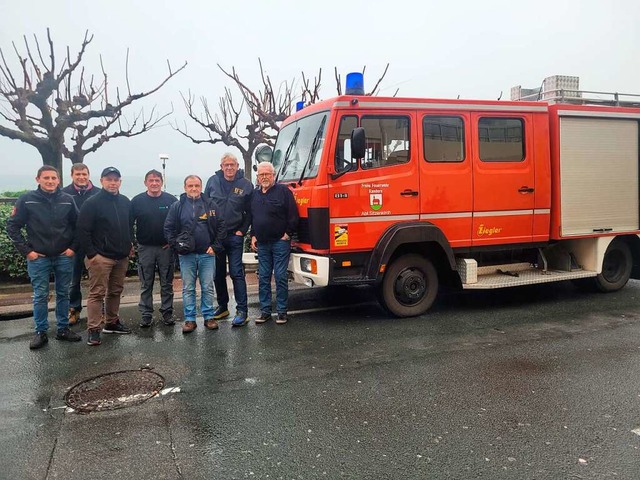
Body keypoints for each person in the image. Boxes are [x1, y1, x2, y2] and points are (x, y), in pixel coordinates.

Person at [7, 166, 81, 349]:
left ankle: (63, 329)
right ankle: (41, 332)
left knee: (63, 293)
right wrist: (27, 251)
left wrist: (73, 248)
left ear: (58, 180)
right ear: (38, 179)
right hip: (38, 258)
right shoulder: (27, 200)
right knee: (40, 296)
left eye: (53, 178)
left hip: (64, 256)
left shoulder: (68, 200)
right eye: (46, 178)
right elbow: (13, 226)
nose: (50, 181)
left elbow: (79, 226)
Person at [76, 167, 134, 346]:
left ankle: (111, 322)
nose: (113, 182)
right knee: (97, 293)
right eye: (109, 179)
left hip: (121, 256)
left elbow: (128, 225)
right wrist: (92, 254)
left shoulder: (125, 201)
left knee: (115, 291)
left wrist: (129, 245)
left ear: (120, 182)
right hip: (101, 257)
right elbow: (82, 230)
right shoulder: (92, 203)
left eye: (116, 179)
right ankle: (93, 328)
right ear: (101, 181)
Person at [164, 175, 226, 334]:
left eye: (197, 185)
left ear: (201, 186)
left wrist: (215, 246)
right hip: (186, 255)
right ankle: (190, 319)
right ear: (185, 187)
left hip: (207, 254)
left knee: (207, 286)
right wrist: (175, 246)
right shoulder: (177, 206)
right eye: (190, 185)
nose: (193, 189)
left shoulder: (211, 205)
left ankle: (208, 317)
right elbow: (168, 228)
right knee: (188, 288)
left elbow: (221, 227)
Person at [204, 153, 253, 327]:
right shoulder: (212, 181)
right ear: (221, 166)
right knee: (217, 274)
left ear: (237, 166)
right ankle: (223, 306)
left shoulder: (246, 185)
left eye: (232, 165)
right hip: (216, 237)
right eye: (226, 165)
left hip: (234, 237)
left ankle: (242, 311)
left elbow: (250, 212)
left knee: (236, 273)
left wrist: (242, 231)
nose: (229, 168)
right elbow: (205, 206)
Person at [250, 161, 299, 325]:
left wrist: (287, 234)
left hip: (280, 242)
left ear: (274, 175)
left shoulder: (283, 192)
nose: (264, 177)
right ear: (257, 177)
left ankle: (282, 312)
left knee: (280, 276)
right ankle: (265, 312)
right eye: (261, 175)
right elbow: (253, 217)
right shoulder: (255, 195)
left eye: (267, 174)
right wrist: (253, 235)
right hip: (262, 243)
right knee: (263, 277)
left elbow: (293, 215)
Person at [130, 170, 178, 327]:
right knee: (146, 283)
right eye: (151, 180)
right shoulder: (137, 201)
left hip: (166, 248)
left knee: (167, 283)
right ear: (145, 183)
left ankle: (167, 312)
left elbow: (178, 223)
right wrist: (133, 243)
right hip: (145, 248)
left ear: (162, 182)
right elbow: (129, 224)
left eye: (157, 180)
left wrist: (173, 242)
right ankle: (146, 314)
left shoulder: (171, 200)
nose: (154, 183)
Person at [62, 163, 100, 325]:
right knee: (73, 281)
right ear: (72, 175)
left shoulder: (98, 193)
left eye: (84, 174)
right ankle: (74, 310)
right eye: (78, 174)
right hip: (73, 246)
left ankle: (101, 311)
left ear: (89, 174)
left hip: (95, 244)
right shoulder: (63, 194)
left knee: (98, 281)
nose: (81, 177)